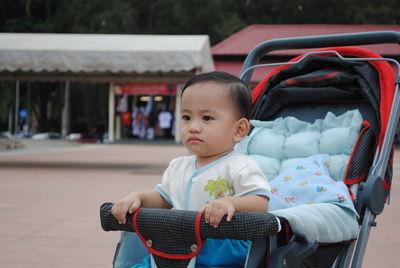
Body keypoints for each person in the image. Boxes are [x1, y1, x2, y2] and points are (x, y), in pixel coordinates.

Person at [112, 71, 271, 267]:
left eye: (206, 118)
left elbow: (260, 202)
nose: (193, 127)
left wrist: (232, 203)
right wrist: (139, 198)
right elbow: (163, 199)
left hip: (219, 252)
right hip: (172, 247)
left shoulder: (240, 165)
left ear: (238, 130)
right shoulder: (178, 165)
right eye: (186, 117)